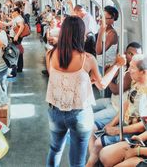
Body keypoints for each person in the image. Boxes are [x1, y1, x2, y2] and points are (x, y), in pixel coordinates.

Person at [45, 16, 125, 167]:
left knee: (55, 149)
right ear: (80, 34)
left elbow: (58, 80)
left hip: (55, 110)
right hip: (79, 114)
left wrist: (84, 81)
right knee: (77, 160)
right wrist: (117, 65)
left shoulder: (50, 55)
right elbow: (102, 85)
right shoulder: (87, 59)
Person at [87, 54, 147, 167]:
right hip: (124, 122)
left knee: (99, 144)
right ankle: (92, 161)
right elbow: (126, 105)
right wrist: (112, 123)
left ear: (143, 72)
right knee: (92, 128)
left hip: (133, 130)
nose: (129, 70)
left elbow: (142, 126)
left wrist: (117, 130)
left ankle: (92, 162)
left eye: (132, 68)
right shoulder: (135, 82)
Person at [93, 42, 142, 124]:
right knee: (88, 106)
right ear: (125, 54)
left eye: (137, 55)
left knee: (91, 118)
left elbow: (116, 90)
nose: (134, 58)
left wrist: (107, 80)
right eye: (131, 54)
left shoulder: (131, 74)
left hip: (117, 109)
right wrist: (116, 62)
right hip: (112, 101)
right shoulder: (123, 65)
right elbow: (108, 73)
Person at [96, 5, 119, 71]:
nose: (99, 19)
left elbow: (99, 51)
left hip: (106, 67)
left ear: (112, 19)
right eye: (100, 17)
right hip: (100, 64)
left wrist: (100, 32)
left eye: (103, 18)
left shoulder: (112, 34)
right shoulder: (103, 30)